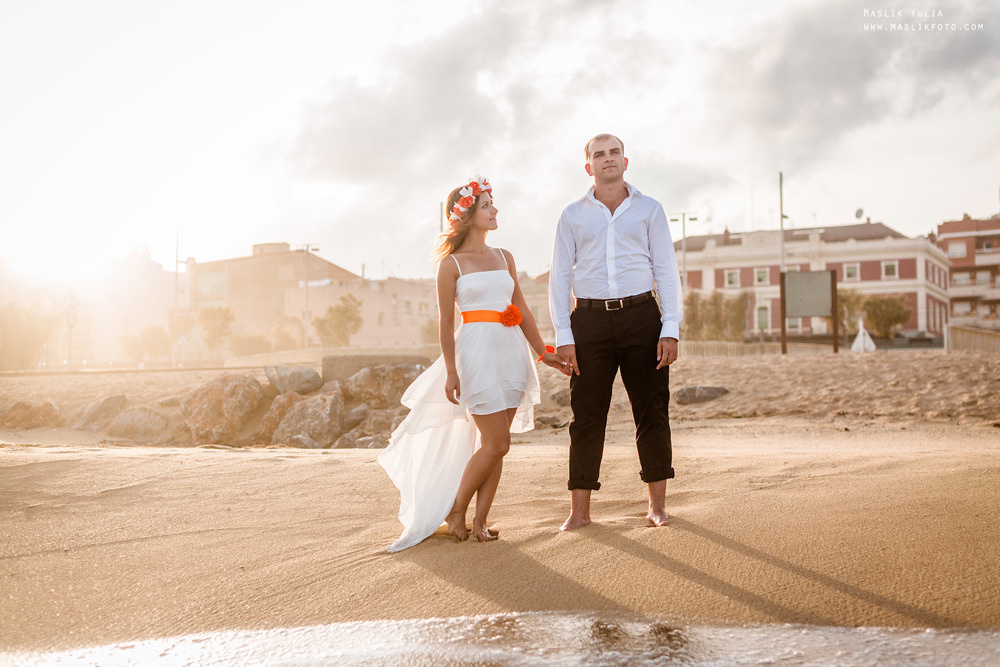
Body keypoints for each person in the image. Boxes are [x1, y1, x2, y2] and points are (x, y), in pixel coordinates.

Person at [379, 175, 566, 552]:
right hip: (475, 354)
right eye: (486, 206)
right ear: (465, 215)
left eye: (492, 204)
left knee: (497, 445)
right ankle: (455, 511)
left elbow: (522, 309)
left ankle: (480, 521)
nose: (494, 210)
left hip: (511, 350)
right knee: (497, 442)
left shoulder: (504, 257)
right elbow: (446, 324)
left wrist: (543, 352)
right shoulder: (451, 265)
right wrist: (450, 370)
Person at [548, 134, 683, 532]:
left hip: (642, 316)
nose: (608, 159)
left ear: (626, 161)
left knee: (652, 410)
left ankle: (656, 507)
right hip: (588, 323)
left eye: (614, 152)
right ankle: (580, 511)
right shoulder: (572, 215)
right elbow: (559, 278)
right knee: (586, 417)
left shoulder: (650, 210)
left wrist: (670, 328)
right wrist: (563, 336)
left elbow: (666, 271)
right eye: (598, 154)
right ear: (588, 166)